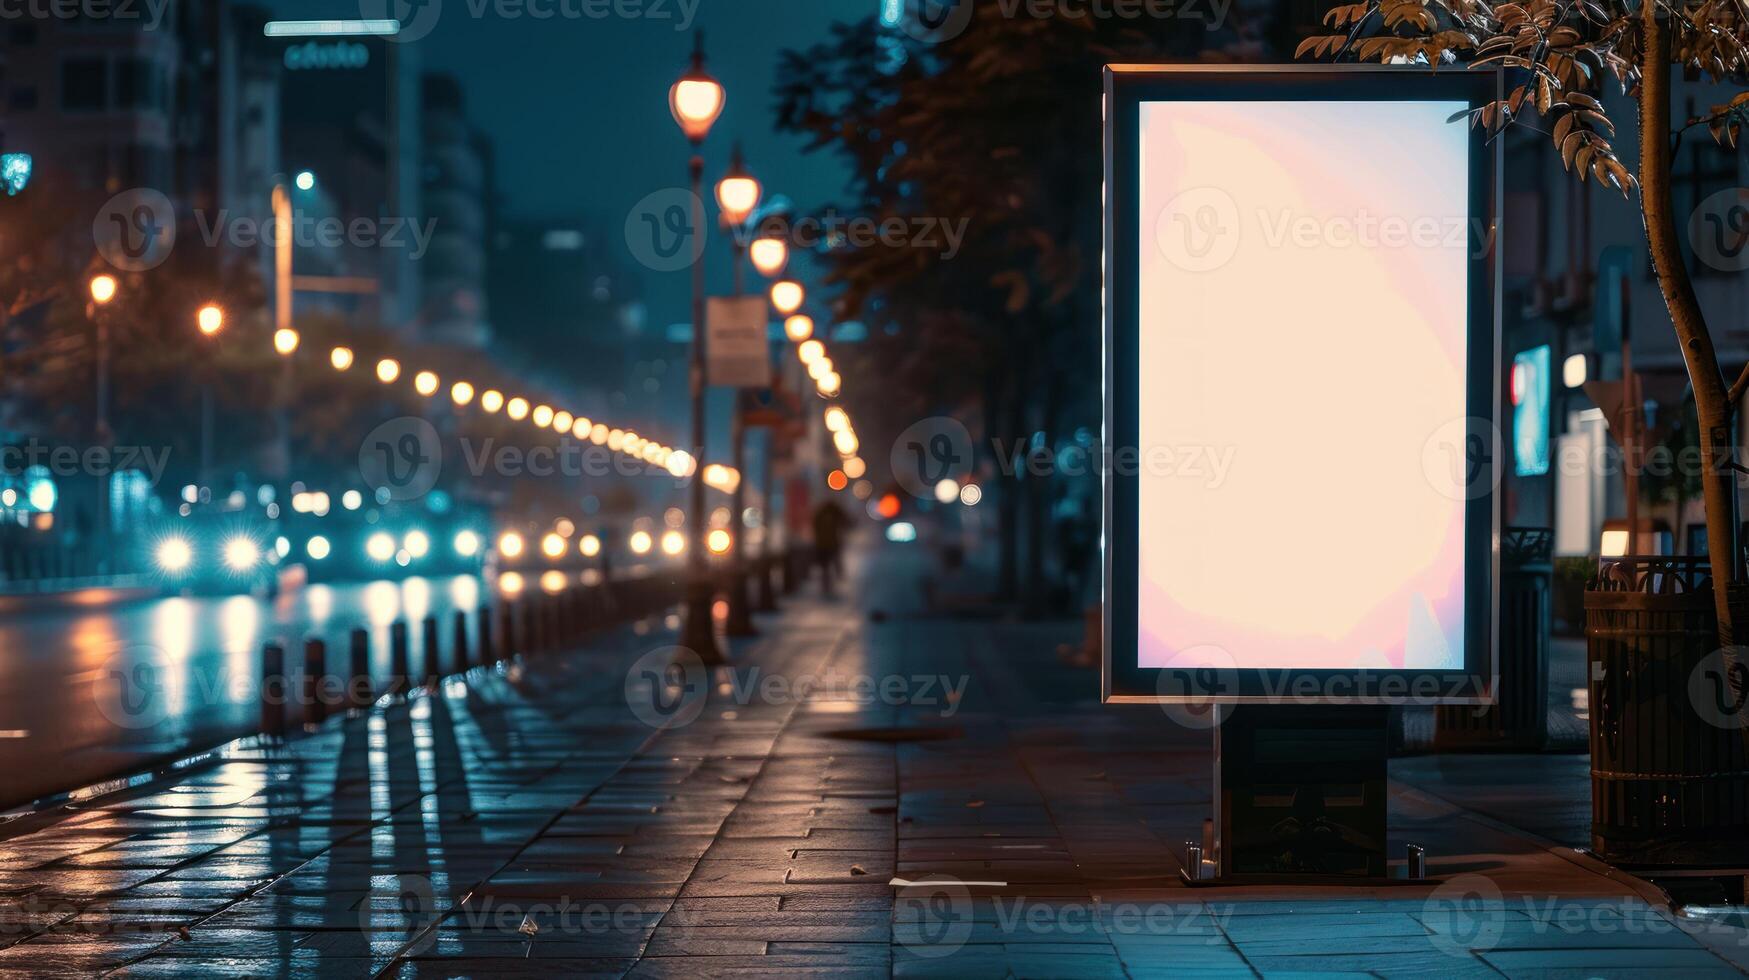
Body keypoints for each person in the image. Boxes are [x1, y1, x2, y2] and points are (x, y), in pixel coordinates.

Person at [811, 498, 850, 595]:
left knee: (826, 567)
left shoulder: (820, 514)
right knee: (830, 565)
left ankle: (827, 585)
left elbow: (814, 526)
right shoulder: (831, 513)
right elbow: (846, 521)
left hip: (823, 544)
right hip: (830, 544)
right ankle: (830, 583)